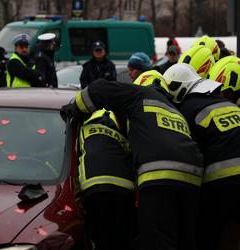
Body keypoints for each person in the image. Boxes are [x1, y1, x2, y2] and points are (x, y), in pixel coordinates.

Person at [61, 78, 204, 250]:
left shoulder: (139, 94)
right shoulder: (175, 110)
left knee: (157, 240)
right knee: (184, 239)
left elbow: (99, 88)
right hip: (193, 179)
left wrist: (76, 108)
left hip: (159, 176)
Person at [163, 63, 240, 250]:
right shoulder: (227, 104)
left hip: (221, 183)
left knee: (207, 237)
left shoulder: (186, 111)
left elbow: (188, 153)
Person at [78, 109, 135, 250]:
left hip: (94, 188)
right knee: (120, 239)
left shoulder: (82, 130)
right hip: (125, 190)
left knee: (100, 239)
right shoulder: (120, 136)